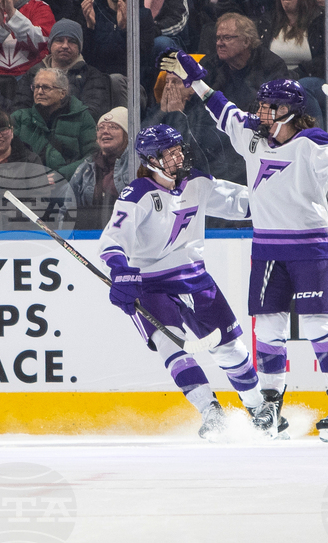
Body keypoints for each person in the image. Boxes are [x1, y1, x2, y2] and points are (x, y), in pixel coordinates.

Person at [162, 50, 328, 441]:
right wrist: (196, 80)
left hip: (309, 246)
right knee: (268, 328)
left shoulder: (314, 142)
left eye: (270, 107)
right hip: (267, 247)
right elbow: (221, 109)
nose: (262, 112)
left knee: (317, 324)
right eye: (261, 105)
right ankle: (271, 405)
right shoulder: (252, 136)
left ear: (290, 110)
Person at [99, 124, 278, 440]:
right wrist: (121, 272)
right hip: (151, 287)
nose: (179, 154)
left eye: (179, 148)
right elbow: (112, 240)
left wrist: (285, 195)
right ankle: (211, 413)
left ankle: (258, 408)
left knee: (231, 351)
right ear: (152, 159)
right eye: (170, 151)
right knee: (172, 348)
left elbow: (245, 203)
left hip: (196, 280)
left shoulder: (198, 181)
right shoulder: (137, 193)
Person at [14, 19, 114, 120]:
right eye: (59, 40)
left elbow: (92, 112)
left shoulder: (92, 75)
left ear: (79, 47)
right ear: (50, 44)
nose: (65, 46)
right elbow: (19, 109)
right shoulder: (33, 73)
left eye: (72, 41)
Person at [10, 67, 98, 181]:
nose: (39, 92)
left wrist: (61, 176)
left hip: (68, 184)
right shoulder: (19, 118)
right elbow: (5, 153)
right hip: (25, 183)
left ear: (62, 93)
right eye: (36, 87)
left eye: (46, 87)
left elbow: (92, 156)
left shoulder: (82, 117)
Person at [81, 0, 157, 77]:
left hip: (132, 83)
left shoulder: (143, 15)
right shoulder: (92, 12)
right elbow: (88, 59)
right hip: (98, 80)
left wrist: (124, 30)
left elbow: (143, 59)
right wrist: (90, 28)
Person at [198, 13, 288, 110]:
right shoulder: (209, 65)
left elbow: (274, 111)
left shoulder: (272, 65)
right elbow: (198, 109)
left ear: (246, 41)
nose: (219, 43)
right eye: (218, 38)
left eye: (227, 38)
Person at [69, 106, 131, 229]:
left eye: (113, 127)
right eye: (101, 128)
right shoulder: (85, 168)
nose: (105, 131)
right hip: (90, 237)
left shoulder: (137, 164)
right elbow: (67, 209)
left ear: (127, 134)